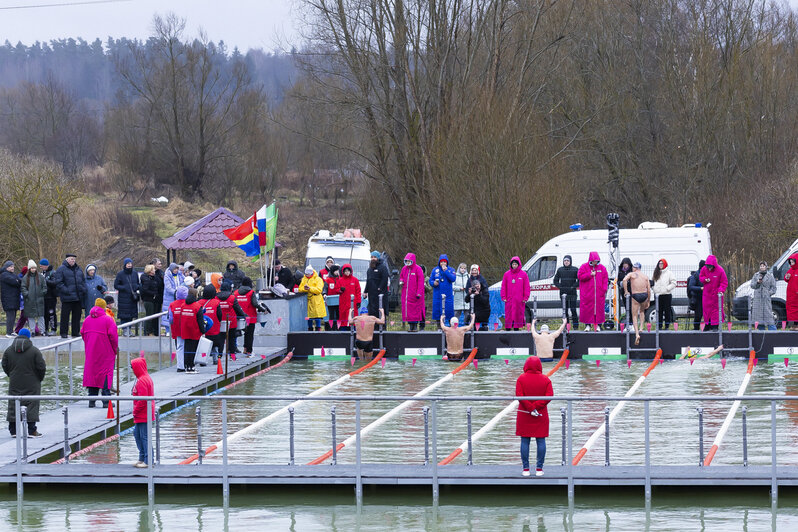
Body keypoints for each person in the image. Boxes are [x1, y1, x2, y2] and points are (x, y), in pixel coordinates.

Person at [2, 328, 45, 438]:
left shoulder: (9, 350)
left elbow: (4, 365)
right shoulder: (34, 351)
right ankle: (32, 431)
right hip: (32, 383)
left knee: (13, 404)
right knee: (32, 404)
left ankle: (13, 431)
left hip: (14, 382)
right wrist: (38, 378)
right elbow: (41, 367)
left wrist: (11, 375)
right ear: (29, 337)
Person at [515, 356, 552, 477]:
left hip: (525, 413)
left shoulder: (521, 378)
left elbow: (519, 396)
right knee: (541, 440)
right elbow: (549, 396)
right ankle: (539, 469)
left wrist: (530, 408)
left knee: (525, 441)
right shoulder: (546, 379)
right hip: (540, 414)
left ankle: (526, 469)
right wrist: (536, 407)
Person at [81, 302, 118, 408]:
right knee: (105, 374)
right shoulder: (108, 320)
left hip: (91, 351)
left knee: (92, 374)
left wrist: (89, 344)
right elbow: (113, 337)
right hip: (106, 352)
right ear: (103, 307)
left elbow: (82, 333)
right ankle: (106, 401)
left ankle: (91, 400)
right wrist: (114, 350)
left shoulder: (87, 319)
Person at [54, 254, 87, 338]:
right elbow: (59, 283)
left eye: (74, 259)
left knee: (77, 316)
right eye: (72, 259)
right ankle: (63, 333)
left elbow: (83, 281)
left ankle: (75, 332)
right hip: (67, 297)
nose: (73, 261)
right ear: (67, 259)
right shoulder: (61, 269)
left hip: (78, 297)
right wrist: (67, 291)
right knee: (65, 316)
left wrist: (83, 289)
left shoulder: (78, 269)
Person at [235, 278, 270, 357]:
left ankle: (244, 349)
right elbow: (255, 304)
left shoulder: (236, 292)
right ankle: (249, 351)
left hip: (239, 317)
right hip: (250, 317)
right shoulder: (251, 292)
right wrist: (263, 309)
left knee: (242, 333)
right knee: (249, 334)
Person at [131, 357, 154, 468]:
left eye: (133, 368)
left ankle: (148, 460)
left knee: (144, 436)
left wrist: (135, 411)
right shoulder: (144, 378)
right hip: (142, 414)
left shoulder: (142, 381)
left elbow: (143, 399)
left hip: (143, 413)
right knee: (137, 434)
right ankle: (142, 457)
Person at [577, 252, 609, 332]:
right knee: (587, 309)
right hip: (587, 294)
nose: (596, 262)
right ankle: (587, 325)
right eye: (594, 260)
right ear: (591, 260)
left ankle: (598, 325)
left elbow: (605, 279)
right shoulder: (584, 267)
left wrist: (604, 289)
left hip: (599, 294)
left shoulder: (602, 268)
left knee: (599, 309)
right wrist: (589, 274)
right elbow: (580, 276)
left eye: (597, 260)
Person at [217, 280, 247, 356]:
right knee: (232, 338)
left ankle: (219, 355)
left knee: (221, 338)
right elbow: (238, 309)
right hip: (232, 321)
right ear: (230, 288)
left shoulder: (216, 297)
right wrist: (245, 316)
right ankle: (232, 354)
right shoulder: (232, 298)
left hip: (220, 321)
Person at [624, 262, 651, 345]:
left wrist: (626, 291)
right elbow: (649, 290)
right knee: (642, 311)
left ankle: (637, 334)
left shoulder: (632, 274)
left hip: (635, 295)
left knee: (634, 315)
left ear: (635, 268)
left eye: (633, 267)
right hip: (644, 295)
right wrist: (648, 300)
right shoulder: (645, 276)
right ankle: (641, 327)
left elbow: (624, 280)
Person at [501, 256, 531, 331]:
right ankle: (507, 330)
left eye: (515, 264)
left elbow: (527, 287)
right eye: (513, 264)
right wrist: (504, 296)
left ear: (518, 264)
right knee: (509, 315)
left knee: (518, 316)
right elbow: (503, 286)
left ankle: (516, 330)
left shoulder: (523, 275)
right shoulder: (506, 274)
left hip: (519, 300)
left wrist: (525, 297)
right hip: (509, 300)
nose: (514, 266)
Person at [180, 288, 205, 373]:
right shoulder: (197, 307)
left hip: (185, 331)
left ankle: (187, 366)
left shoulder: (183, 305)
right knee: (193, 349)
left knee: (186, 348)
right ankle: (192, 367)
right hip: (195, 331)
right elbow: (200, 321)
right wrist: (203, 331)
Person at [700, 255, 728, 330]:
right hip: (707, 294)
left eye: (710, 267)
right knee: (706, 310)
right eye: (707, 266)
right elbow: (701, 277)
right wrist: (705, 279)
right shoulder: (704, 269)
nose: (709, 268)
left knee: (716, 310)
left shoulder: (720, 270)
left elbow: (724, 282)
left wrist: (720, 290)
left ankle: (715, 325)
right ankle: (707, 324)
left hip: (716, 295)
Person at [114, 258, 141, 334]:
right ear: (125, 265)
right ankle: (124, 329)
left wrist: (137, 286)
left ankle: (129, 329)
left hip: (132, 298)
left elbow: (138, 283)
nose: (129, 265)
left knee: (131, 315)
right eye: (128, 264)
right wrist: (124, 287)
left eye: (130, 263)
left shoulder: (135, 273)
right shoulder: (120, 274)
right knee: (124, 315)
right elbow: (116, 285)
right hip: (124, 298)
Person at [400, 253, 425, 331]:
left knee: (415, 311)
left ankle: (415, 326)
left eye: (409, 261)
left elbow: (421, 282)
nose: (407, 263)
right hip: (406, 294)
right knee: (408, 311)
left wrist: (419, 293)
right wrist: (401, 281)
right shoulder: (404, 269)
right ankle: (410, 325)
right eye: (406, 261)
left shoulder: (418, 269)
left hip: (415, 295)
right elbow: (401, 276)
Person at [200, 284, 224, 364]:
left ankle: (202, 360)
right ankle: (215, 359)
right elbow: (219, 315)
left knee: (203, 345)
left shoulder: (199, 302)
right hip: (214, 327)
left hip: (203, 328)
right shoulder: (216, 302)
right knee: (215, 344)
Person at [429, 254, 456, 327]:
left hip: (448, 295)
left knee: (449, 312)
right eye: (441, 262)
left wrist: (446, 271)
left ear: (447, 262)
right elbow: (430, 280)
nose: (443, 263)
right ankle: (439, 327)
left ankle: (451, 328)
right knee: (438, 312)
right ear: (439, 262)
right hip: (437, 294)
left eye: (444, 262)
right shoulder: (435, 270)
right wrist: (433, 283)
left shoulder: (451, 270)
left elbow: (453, 279)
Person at [21, 260, 47, 335]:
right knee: (30, 317)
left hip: (39, 300)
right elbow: (23, 288)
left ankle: (42, 331)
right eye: (32, 268)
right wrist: (27, 294)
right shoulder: (25, 278)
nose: (33, 269)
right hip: (29, 300)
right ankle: (33, 331)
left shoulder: (40, 277)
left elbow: (44, 287)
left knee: (41, 316)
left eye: (34, 268)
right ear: (29, 269)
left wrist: (42, 293)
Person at [553, 255, 579, 329]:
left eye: (568, 261)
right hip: (563, 294)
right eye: (565, 261)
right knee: (565, 310)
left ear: (570, 261)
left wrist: (573, 287)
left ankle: (576, 326)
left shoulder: (575, 269)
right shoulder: (560, 270)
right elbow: (555, 280)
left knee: (573, 310)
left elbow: (579, 280)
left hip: (573, 293)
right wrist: (561, 287)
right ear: (563, 262)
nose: (566, 262)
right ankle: (566, 326)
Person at [750, 261, 777, 330]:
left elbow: (774, 288)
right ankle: (761, 332)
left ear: (766, 267)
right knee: (758, 318)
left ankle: (773, 333)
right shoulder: (756, 275)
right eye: (761, 266)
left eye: (763, 266)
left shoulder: (770, 276)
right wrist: (757, 282)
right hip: (757, 299)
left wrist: (768, 293)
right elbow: (752, 285)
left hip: (766, 299)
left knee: (769, 317)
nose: (762, 267)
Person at [652, 259, 677, 329]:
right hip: (658, 295)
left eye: (662, 263)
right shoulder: (656, 272)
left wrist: (667, 288)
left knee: (667, 311)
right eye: (659, 263)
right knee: (659, 311)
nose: (660, 265)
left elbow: (674, 283)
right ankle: (659, 326)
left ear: (665, 264)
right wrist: (654, 289)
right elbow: (652, 283)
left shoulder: (669, 273)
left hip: (667, 295)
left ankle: (667, 325)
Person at [364, 250, 389, 319]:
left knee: (380, 310)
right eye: (372, 257)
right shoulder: (369, 269)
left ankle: (382, 326)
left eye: (374, 257)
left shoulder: (383, 267)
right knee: (372, 311)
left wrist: (380, 288)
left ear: (378, 258)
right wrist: (365, 291)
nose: (373, 258)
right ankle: (373, 326)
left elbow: (385, 279)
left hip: (380, 294)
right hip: (371, 295)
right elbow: (368, 281)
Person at [299, 266, 325, 331]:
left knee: (317, 315)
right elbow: (300, 289)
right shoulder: (304, 279)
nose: (306, 275)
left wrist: (310, 289)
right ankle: (309, 328)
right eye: (306, 274)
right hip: (308, 299)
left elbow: (319, 290)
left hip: (316, 299)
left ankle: (318, 328)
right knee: (308, 315)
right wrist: (306, 289)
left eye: (307, 274)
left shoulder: (318, 279)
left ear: (311, 273)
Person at [169, 285, 188, 371]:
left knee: (179, 346)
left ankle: (180, 366)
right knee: (189, 346)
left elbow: (170, 319)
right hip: (188, 328)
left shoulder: (172, 304)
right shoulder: (188, 303)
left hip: (177, 329)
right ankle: (189, 364)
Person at [465, 265, 490, 330]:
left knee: (482, 326)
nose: (476, 288)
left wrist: (478, 294)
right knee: (469, 321)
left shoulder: (484, 290)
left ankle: (484, 328)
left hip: (484, 311)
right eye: (475, 287)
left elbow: (485, 301)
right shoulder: (469, 280)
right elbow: (466, 300)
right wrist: (469, 294)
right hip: (474, 310)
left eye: (478, 286)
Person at [337, 264, 361, 330]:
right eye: (345, 271)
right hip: (343, 303)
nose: (347, 272)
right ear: (343, 272)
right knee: (343, 319)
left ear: (351, 271)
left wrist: (358, 301)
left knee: (353, 318)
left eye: (348, 271)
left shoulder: (355, 280)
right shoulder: (340, 280)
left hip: (353, 304)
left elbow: (358, 291)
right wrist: (340, 290)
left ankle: (354, 331)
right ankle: (343, 332)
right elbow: (336, 290)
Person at [161, 262, 184, 331]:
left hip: (178, 297)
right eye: (175, 269)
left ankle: (177, 329)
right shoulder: (167, 276)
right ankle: (168, 330)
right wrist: (176, 292)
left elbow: (184, 282)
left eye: (177, 269)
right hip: (169, 298)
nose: (176, 270)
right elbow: (168, 288)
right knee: (168, 313)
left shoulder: (180, 275)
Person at [1, 261, 20, 338]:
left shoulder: (12, 275)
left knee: (14, 315)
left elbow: (18, 281)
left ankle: (11, 331)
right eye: (11, 267)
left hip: (14, 298)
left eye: (13, 266)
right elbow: (15, 282)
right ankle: (8, 332)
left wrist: (17, 281)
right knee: (10, 316)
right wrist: (17, 281)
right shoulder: (4, 275)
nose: (13, 268)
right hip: (8, 299)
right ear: (6, 267)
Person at [139, 264, 159, 336]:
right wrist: (154, 293)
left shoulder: (152, 278)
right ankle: (148, 331)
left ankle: (150, 331)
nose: (154, 270)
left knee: (151, 315)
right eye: (153, 269)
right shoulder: (147, 279)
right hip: (148, 299)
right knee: (149, 315)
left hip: (152, 299)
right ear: (150, 271)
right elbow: (145, 290)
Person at [41, 259, 58, 336]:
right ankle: (45, 329)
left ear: (46, 265)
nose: (41, 267)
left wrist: (45, 280)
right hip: (44, 297)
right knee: (45, 314)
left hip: (51, 297)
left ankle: (53, 329)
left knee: (51, 313)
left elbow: (54, 283)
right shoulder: (42, 273)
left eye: (42, 266)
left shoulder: (53, 273)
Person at [687, 260, 705, 330]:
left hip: (706, 298)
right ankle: (696, 329)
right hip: (698, 298)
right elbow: (691, 287)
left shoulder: (706, 274)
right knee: (698, 315)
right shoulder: (695, 276)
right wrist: (701, 288)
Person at [324, 265, 341, 330]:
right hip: (331, 300)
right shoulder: (328, 280)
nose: (337, 272)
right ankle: (331, 328)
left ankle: (338, 327)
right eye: (336, 270)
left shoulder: (340, 278)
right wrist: (324, 294)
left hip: (339, 300)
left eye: (338, 270)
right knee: (331, 315)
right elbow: (325, 288)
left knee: (338, 315)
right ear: (333, 271)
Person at [786, 253, 798, 330]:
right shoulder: (791, 270)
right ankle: (793, 325)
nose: (791, 264)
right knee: (791, 310)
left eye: (793, 262)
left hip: (796, 295)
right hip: (791, 295)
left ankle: (797, 325)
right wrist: (787, 277)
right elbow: (786, 278)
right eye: (790, 262)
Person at [152, 258, 164, 325]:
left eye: (161, 264)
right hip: (152, 296)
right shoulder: (150, 272)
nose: (160, 265)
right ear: (154, 264)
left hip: (160, 295)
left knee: (158, 313)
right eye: (159, 264)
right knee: (152, 314)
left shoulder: (161, 272)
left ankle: (156, 330)